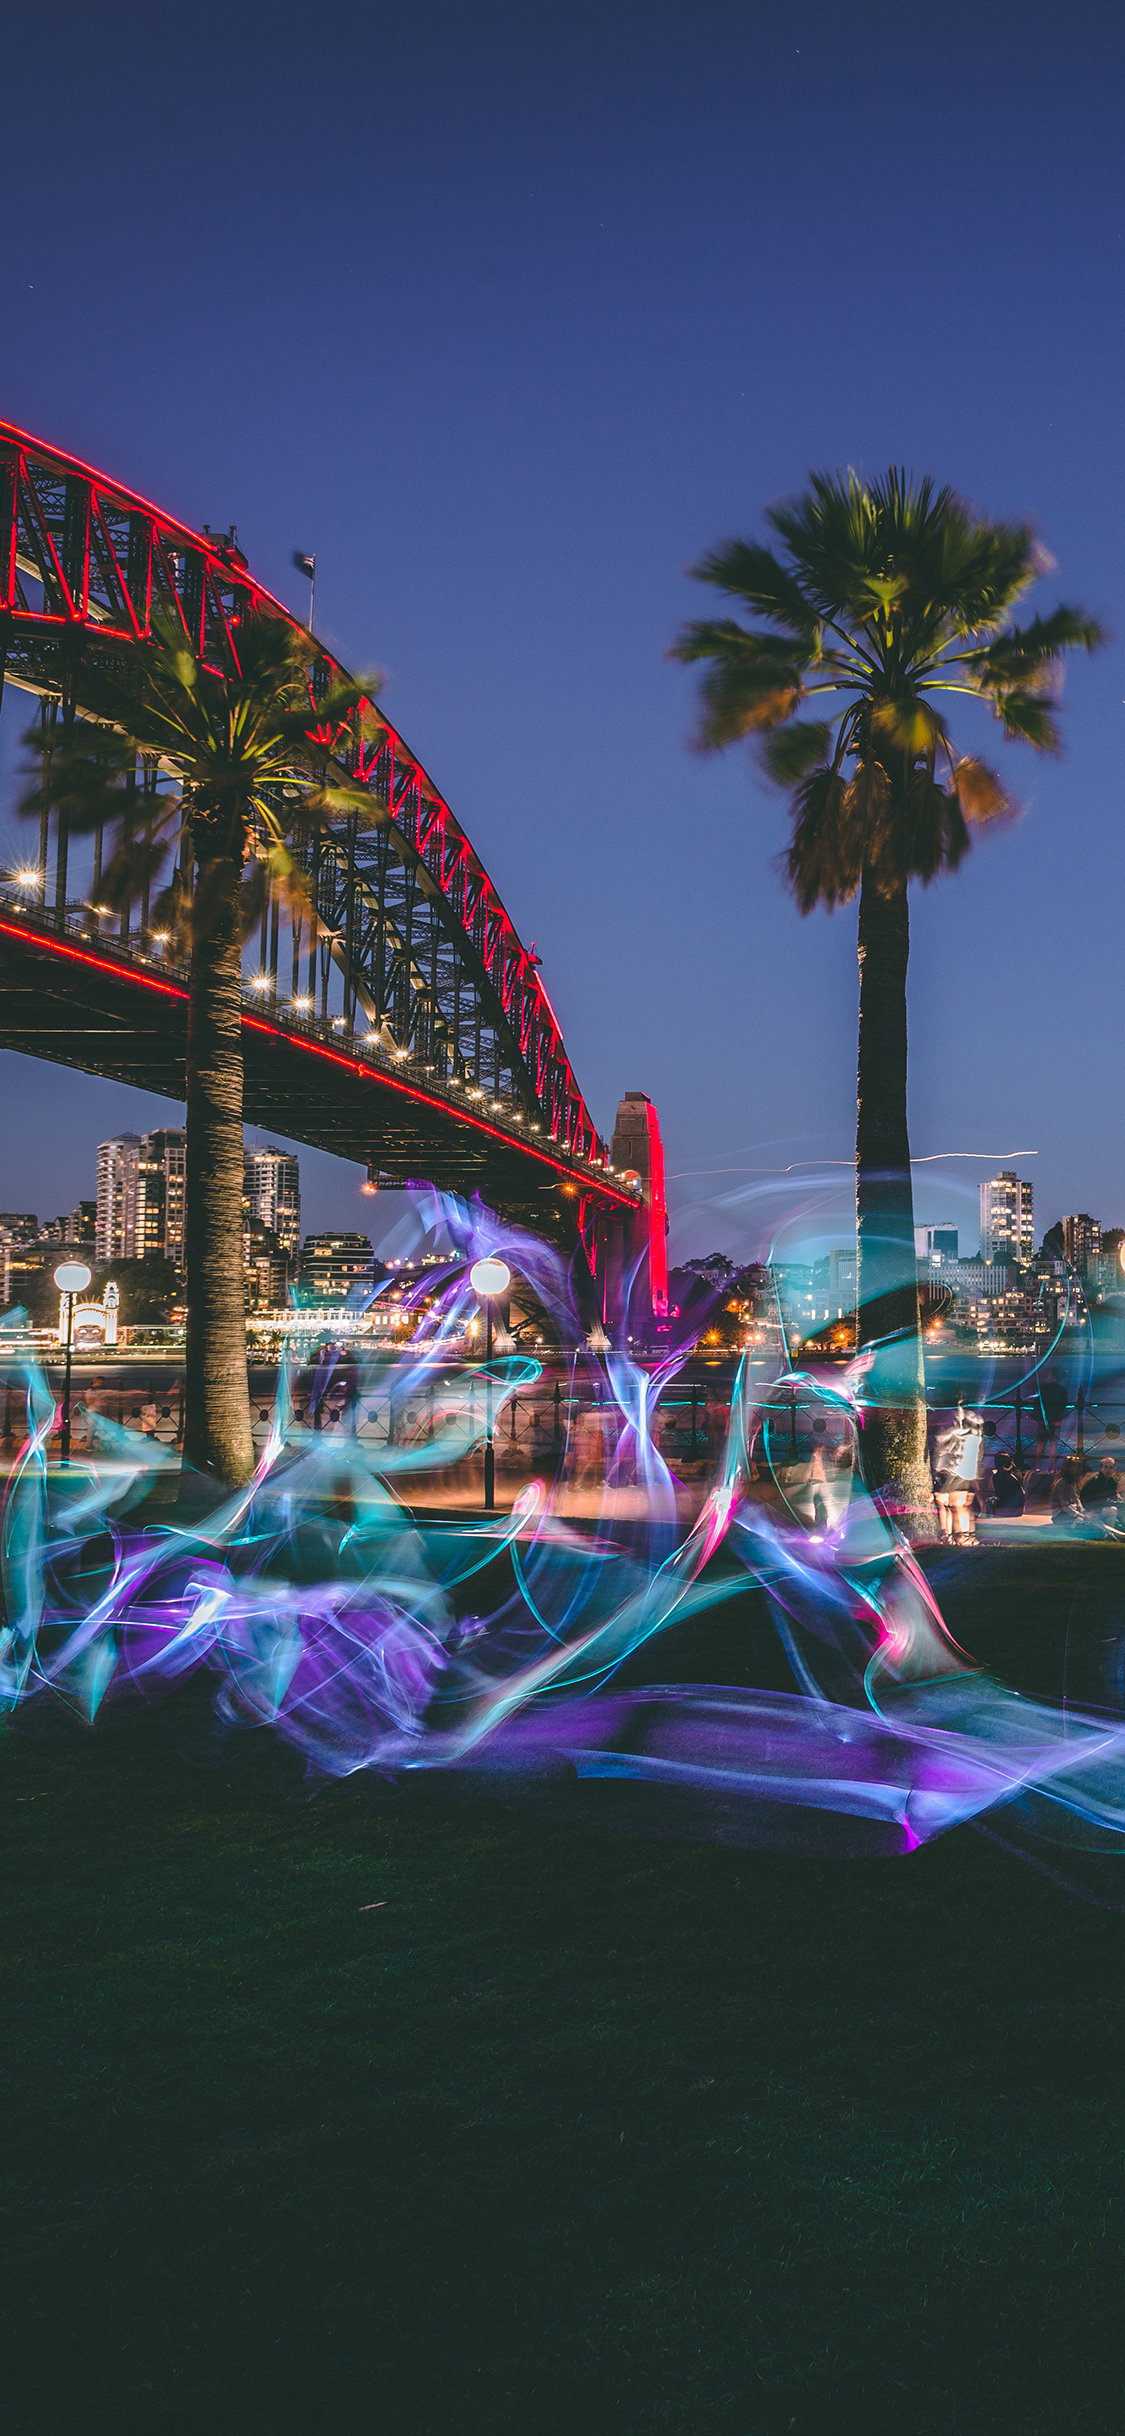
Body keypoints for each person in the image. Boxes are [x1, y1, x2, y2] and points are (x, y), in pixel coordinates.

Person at [1050, 1457, 1085, 1529]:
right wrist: (1078, 1515)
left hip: (1072, 1512)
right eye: (1073, 1466)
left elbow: (1077, 1499)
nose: (1076, 1468)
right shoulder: (1061, 1483)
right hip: (1061, 1515)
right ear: (1067, 1468)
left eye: (1076, 1466)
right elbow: (1065, 1506)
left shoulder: (1073, 1482)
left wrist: (1083, 1511)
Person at [988, 1448, 1025, 1517]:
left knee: (991, 1501)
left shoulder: (998, 1476)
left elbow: (999, 1493)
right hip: (1018, 1510)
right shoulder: (1016, 1473)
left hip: (1005, 1511)